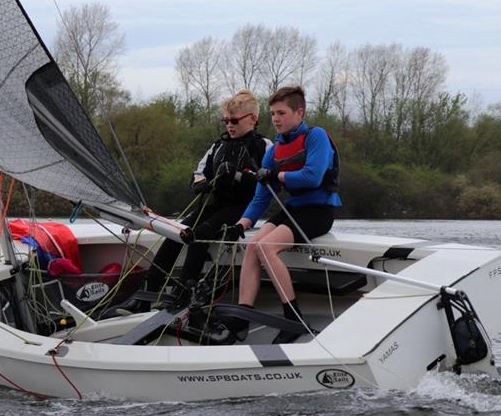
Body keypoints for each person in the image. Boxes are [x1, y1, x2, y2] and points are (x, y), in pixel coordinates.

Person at [116, 91, 271, 314]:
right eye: (225, 120)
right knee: (174, 234)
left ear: (253, 118)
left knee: (199, 234)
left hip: (242, 209)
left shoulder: (264, 146)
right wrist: (201, 183)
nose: (229, 125)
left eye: (234, 120)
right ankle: (145, 296)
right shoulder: (218, 146)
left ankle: (182, 295)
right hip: (214, 204)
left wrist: (238, 176)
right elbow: (197, 174)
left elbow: (266, 184)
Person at [227, 85, 340, 343]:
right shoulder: (274, 149)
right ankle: (242, 317)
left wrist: (277, 175)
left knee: (266, 247)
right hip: (294, 209)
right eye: (272, 114)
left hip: (319, 211)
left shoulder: (316, 136)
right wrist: (241, 225)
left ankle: (294, 319)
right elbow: (261, 196)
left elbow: (312, 177)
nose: (275, 119)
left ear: (299, 113)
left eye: (281, 113)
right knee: (253, 244)